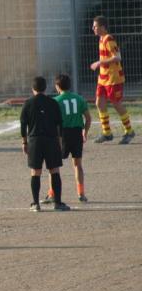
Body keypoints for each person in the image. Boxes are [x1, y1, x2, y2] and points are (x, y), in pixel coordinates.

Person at [20, 76, 70, 212]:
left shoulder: (28, 103)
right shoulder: (53, 103)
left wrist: (24, 142)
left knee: (35, 172)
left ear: (33, 88)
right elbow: (60, 124)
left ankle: (36, 204)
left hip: (35, 141)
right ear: (45, 88)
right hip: (51, 140)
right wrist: (60, 141)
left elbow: (23, 125)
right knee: (54, 170)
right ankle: (58, 203)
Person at [41, 74, 91, 204]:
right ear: (70, 85)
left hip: (62, 134)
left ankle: (52, 193)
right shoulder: (79, 98)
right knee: (77, 164)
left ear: (57, 86)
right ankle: (81, 193)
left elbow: (52, 122)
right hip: (76, 133)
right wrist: (85, 132)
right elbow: (88, 118)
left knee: (54, 165)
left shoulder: (55, 101)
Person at [90, 16, 135, 144]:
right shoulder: (101, 39)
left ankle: (129, 131)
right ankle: (107, 133)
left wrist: (99, 62)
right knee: (99, 103)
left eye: (95, 26)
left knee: (116, 104)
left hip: (114, 78)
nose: (93, 28)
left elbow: (117, 57)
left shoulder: (109, 39)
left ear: (103, 27)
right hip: (103, 78)